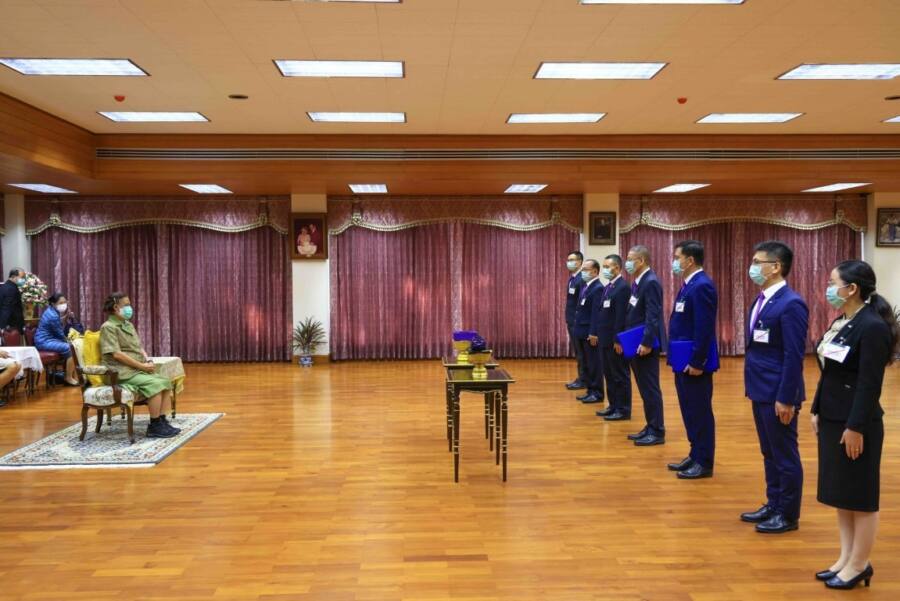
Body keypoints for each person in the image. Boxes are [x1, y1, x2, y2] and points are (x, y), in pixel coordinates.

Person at [810, 260, 898, 590]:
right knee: (842, 494)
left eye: (833, 283)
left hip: (856, 424)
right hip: (833, 417)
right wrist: (817, 408)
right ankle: (846, 558)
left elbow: (869, 384)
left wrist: (856, 427)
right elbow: (830, 371)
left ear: (852, 289)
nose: (828, 288)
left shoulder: (871, 326)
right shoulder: (843, 320)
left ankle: (860, 564)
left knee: (860, 497)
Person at [741, 241, 809, 534]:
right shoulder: (763, 299)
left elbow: (794, 355)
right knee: (769, 451)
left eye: (758, 262)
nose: (753, 267)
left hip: (778, 392)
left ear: (776, 267)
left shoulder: (791, 303)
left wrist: (786, 398)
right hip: (759, 387)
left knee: (784, 454)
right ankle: (773, 503)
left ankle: (788, 514)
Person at [667, 240, 719, 479]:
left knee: (699, 411)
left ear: (689, 260)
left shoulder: (702, 286)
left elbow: (704, 328)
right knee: (689, 409)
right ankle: (695, 453)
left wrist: (698, 361)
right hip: (682, 359)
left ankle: (704, 461)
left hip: (694, 362)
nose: (674, 262)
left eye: (677, 257)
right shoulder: (689, 285)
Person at [99, 292, 180, 438]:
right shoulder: (108, 327)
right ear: (116, 307)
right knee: (156, 384)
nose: (130, 308)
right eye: (126, 305)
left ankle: (162, 421)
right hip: (119, 372)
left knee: (165, 382)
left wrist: (146, 360)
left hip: (134, 369)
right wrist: (141, 366)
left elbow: (138, 347)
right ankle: (154, 426)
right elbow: (117, 354)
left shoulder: (127, 324)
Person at [623, 245, 667, 446]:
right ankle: (650, 426)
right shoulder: (639, 281)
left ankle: (657, 431)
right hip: (635, 341)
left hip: (644, 344)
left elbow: (653, 315)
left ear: (641, 261)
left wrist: (647, 342)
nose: (627, 262)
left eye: (630, 259)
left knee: (650, 388)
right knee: (644, 388)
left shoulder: (650, 282)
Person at [592, 254, 631, 421]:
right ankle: (613, 405)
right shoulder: (609, 286)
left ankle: (623, 409)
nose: (605, 270)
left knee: (619, 375)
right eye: (604, 266)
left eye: (608, 266)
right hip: (604, 338)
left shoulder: (623, 287)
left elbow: (621, 317)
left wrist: (618, 340)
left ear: (617, 267)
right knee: (609, 374)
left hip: (615, 341)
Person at [573, 260, 605, 404]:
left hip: (589, 333)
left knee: (594, 364)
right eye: (583, 269)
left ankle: (597, 393)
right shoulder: (586, 286)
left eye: (586, 269)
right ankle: (590, 390)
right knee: (586, 363)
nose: (583, 272)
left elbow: (596, 313)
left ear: (595, 271)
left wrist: (593, 332)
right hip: (581, 331)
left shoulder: (598, 288)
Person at [35, 292, 80, 386]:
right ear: (53, 303)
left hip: (48, 339)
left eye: (65, 302)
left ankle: (75, 376)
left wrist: (66, 317)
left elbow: (57, 323)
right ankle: (68, 378)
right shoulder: (53, 315)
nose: (64, 304)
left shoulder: (51, 310)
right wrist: (69, 341)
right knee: (71, 348)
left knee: (73, 345)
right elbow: (59, 334)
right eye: (61, 303)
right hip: (44, 341)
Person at [564, 251, 588, 390]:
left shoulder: (581, 279)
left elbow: (582, 302)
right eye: (568, 260)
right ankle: (581, 377)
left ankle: (584, 380)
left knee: (581, 353)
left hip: (577, 322)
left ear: (579, 262)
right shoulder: (573, 278)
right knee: (578, 352)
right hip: (571, 320)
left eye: (572, 260)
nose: (569, 262)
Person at [0, 268, 26, 334]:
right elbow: (10, 309)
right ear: (14, 276)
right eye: (22, 277)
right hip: (11, 327)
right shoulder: (12, 289)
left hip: (4, 324)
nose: (23, 280)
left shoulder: (4, 287)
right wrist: (21, 326)